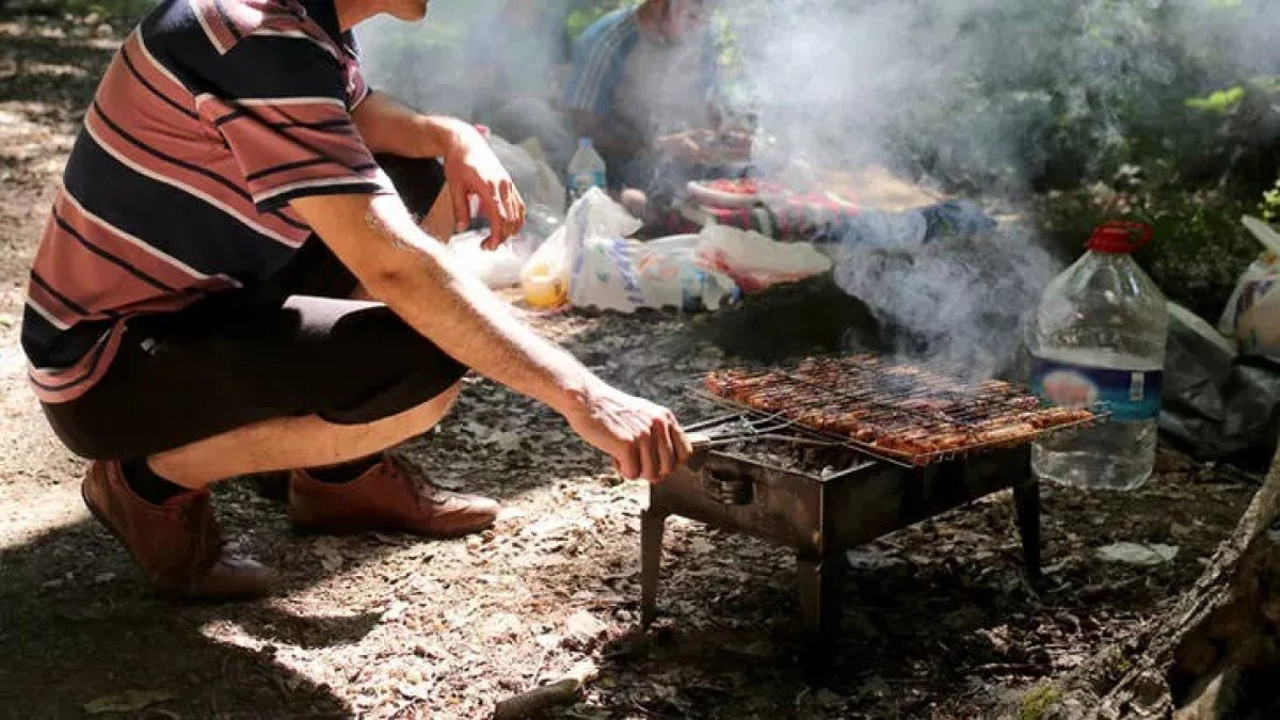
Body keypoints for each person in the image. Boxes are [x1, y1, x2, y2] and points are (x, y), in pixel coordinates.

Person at [21, 0, 692, 601]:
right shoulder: (254, 36)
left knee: (419, 176)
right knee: (423, 367)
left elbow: (356, 114)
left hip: (203, 300)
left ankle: (338, 480)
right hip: (108, 366)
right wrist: (585, 396)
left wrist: (453, 136)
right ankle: (146, 484)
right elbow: (397, 269)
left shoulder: (303, 22)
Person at [562, 0, 746, 220]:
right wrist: (656, 145)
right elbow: (583, 127)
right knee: (638, 203)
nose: (699, 26)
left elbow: (710, 108)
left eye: (705, 16)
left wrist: (725, 137)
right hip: (625, 171)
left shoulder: (700, 37)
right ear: (658, 5)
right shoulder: (609, 40)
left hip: (689, 170)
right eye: (691, 15)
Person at [466, 0, 576, 171]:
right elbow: (484, 94)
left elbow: (567, 84)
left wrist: (554, 98)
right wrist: (530, 98)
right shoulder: (488, 30)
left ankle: (565, 183)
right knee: (531, 111)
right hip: (500, 116)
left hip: (550, 114)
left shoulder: (553, 28)